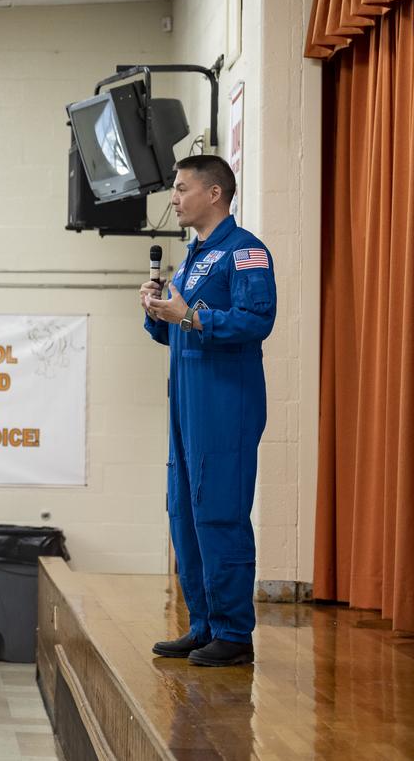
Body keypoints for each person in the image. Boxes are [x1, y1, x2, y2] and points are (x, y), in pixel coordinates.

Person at [141, 155, 277, 668]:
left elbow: (255, 320)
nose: (173, 198)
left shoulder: (245, 253)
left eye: (181, 188)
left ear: (213, 193)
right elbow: (176, 329)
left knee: (218, 512)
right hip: (187, 401)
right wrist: (158, 313)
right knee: (185, 512)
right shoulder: (193, 257)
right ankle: (202, 626)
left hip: (224, 403)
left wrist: (192, 317)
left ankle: (233, 634)